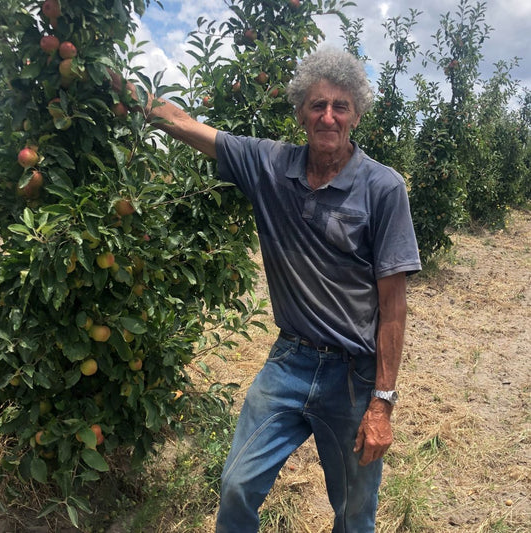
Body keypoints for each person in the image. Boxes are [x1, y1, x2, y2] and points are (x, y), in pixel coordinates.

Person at [112, 47, 421, 532]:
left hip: (353, 377)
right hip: (290, 363)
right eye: (317, 105)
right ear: (300, 111)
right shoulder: (269, 165)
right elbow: (180, 123)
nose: (328, 116)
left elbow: (393, 307)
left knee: (355, 512)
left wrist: (382, 403)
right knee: (237, 485)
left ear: (356, 114)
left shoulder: (384, 189)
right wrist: (107, 76)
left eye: (340, 106)